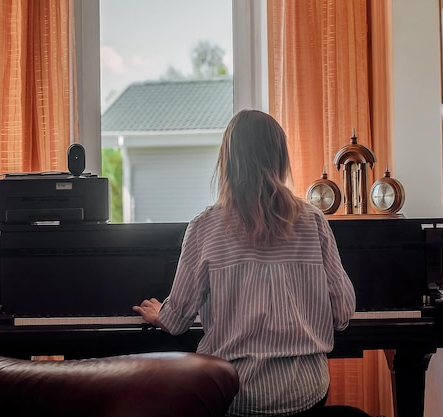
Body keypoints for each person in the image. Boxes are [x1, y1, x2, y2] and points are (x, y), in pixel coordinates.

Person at [133, 109, 356, 417]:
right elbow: (342, 311)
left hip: (235, 395)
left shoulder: (204, 227)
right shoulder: (313, 220)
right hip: (306, 394)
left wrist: (162, 314)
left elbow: (177, 320)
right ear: (280, 158)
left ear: (228, 161)